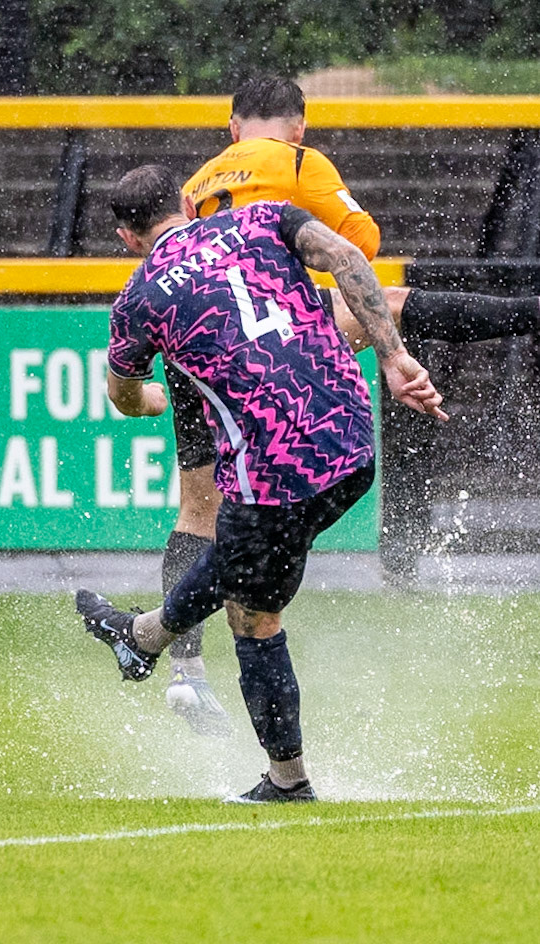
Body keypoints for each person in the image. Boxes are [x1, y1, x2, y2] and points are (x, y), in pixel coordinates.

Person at [154, 74, 540, 736]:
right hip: (270, 340)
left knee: (198, 507)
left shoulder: (198, 185)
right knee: (387, 304)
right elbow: (359, 247)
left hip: (195, 346)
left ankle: (186, 670)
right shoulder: (300, 162)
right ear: (298, 127)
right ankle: (529, 315)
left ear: (231, 126)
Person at [78, 164, 447, 803]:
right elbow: (347, 254)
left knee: (251, 615)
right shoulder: (260, 216)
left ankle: (285, 778)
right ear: (187, 204)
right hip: (351, 438)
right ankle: (141, 637)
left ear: (126, 238)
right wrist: (392, 355)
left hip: (271, 467)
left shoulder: (140, 301)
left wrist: (154, 405)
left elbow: (124, 395)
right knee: (245, 566)